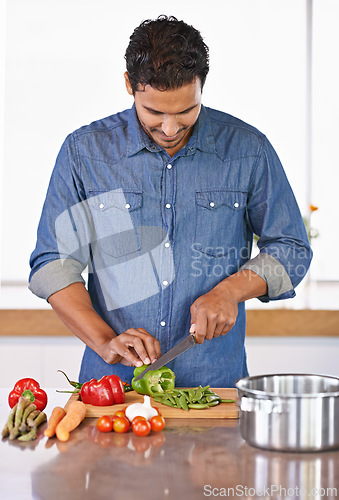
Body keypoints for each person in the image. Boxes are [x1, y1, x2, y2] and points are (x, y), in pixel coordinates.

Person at [29, 15, 312, 387]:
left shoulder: (248, 151)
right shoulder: (84, 153)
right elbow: (54, 264)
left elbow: (292, 248)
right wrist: (105, 340)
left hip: (214, 388)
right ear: (130, 85)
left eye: (185, 112)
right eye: (154, 112)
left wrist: (230, 291)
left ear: (200, 88)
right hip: (114, 389)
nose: (170, 129)